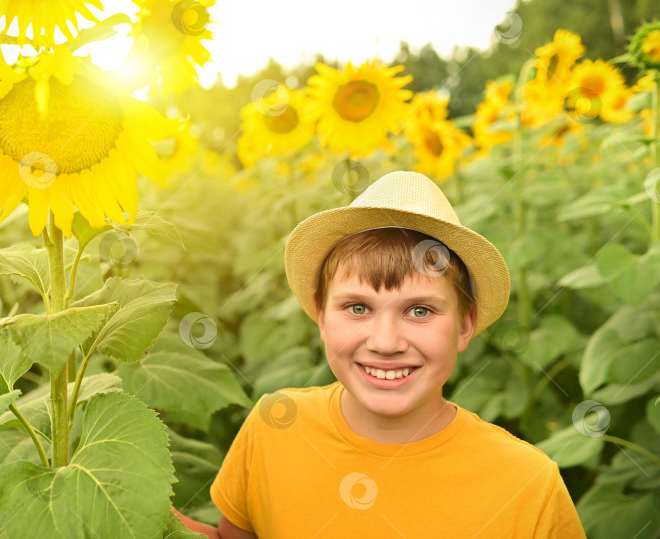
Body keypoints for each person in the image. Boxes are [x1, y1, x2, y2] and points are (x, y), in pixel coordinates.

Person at [174, 171, 587, 538]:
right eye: (358, 308)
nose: (386, 342)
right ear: (321, 317)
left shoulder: (527, 486)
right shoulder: (274, 428)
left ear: (464, 326)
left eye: (420, 310)